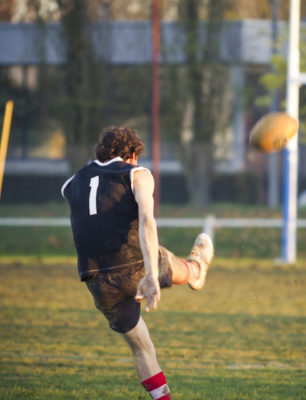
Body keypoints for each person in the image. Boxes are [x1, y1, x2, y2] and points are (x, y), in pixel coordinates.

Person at [61, 126, 214, 400]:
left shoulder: (73, 182)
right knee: (159, 256)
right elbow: (146, 220)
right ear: (132, 155)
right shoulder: (137, 173)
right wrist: (152, 275)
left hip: (96, 280)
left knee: (142, 349)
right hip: (133, 265)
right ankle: (195, 270)